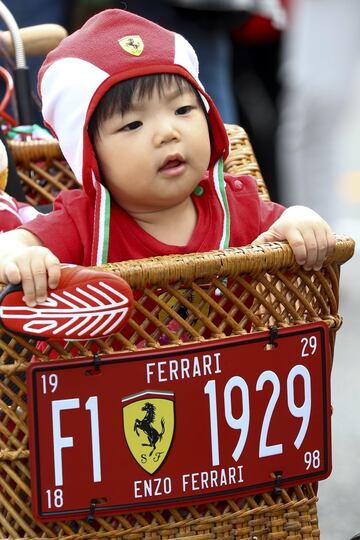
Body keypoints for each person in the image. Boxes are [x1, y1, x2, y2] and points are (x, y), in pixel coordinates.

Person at [0, 8, 334, 308]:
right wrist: (20, 256)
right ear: (89, 155)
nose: (168, 132)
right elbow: (13, 242)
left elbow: (282, 223)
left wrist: (300, 219)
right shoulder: (84, 222)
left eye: (183, 109)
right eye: (133, 124)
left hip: (229, 373)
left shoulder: (234, 203)